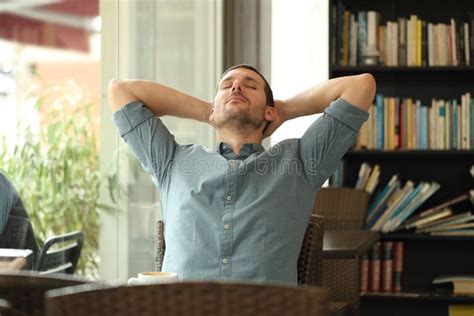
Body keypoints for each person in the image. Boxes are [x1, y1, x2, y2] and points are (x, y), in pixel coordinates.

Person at [108, 64, 376, 284]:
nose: (236, 86)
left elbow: (361, 86)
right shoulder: (171, 161)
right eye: (226, 85)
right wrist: (207, 111)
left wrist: (283, 110)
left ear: (269, 110)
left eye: (250, 84)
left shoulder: (302, 160)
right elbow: (121, 91)